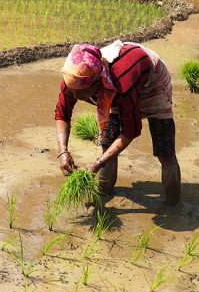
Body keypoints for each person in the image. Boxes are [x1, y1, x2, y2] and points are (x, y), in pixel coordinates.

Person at [54, 40, 181, 206]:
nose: (76, 96)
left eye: (82, 92)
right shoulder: (74, 78)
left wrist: (97, 164)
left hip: (153, 83)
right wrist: (62, 152)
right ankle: (103, 195)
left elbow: (131, 131)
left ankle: (174, 206)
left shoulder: (122, 84)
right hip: (115, 87)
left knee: (165, 150)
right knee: (107, 144)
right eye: (73, 91)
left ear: (98, 82)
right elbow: (62, 114)